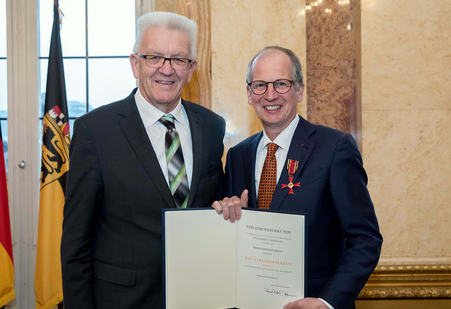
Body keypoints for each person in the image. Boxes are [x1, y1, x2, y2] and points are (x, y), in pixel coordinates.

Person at [61, 12, 226, 308]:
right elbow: (76, 243)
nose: (167, 69)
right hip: (123, 300)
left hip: (199, 295)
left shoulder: (212, 127)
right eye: (154, 57)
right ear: (135, 63)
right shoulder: (95, 131)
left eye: (178, 59)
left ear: (192, 69)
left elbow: (216, 207)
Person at [213, 46, 382, 309]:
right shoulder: (238, 156)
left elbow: (366, 239)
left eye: (281, 84)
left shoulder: (335, 148)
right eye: (259, 85)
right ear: (249, 93)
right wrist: (228, 222)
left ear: (299, 90)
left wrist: (327, 302)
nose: (270, 95)